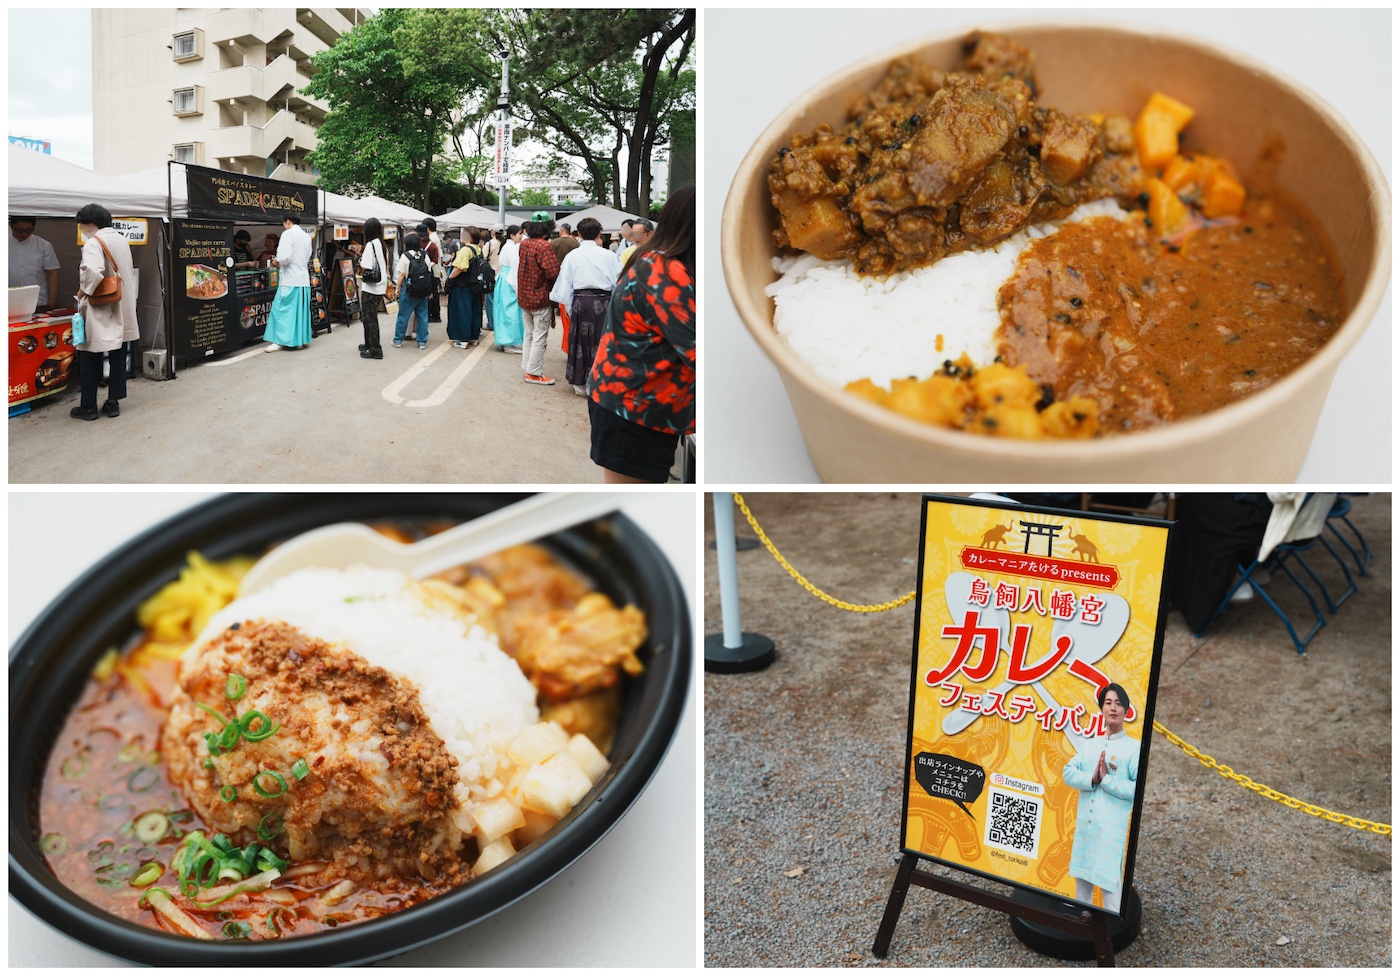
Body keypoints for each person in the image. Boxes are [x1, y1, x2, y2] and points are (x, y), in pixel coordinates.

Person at [587, 184, 695, 483]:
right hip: (635, 409)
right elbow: (699, 349)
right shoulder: (663, 269)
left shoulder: (655, 259)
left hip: (636, 404)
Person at [1061, 683, 1139, 914]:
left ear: (1126, 710)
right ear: (1102, 709)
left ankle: (1113, 928)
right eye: (1108, 703)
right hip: (1086, 827)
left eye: (1118, 704)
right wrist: (1092, 778)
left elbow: (1135, 789)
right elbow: (1068, 772)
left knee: (1109, 884)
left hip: (1110, 830)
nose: (1113, 708)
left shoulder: (1134, 748)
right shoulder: (1090, 745)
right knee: (1082, 883)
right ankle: (1079, 925)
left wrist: (1106, 781)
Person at [70, 204, 138, 420]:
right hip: (122, 302)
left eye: (82, 224)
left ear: (91, 223)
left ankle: (88, 407)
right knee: (119, 352)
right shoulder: (120, 239)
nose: (81, 228)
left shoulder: (93, 242)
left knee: (90, 353)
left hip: (101, 305)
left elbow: (93, 271)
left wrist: (82, 293)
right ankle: (113, 403)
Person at [550, 217, 620, 397]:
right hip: (604, 301)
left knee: (580, 342)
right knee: (601, 341)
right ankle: (601, 380)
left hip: (581, 301)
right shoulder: (610, 256)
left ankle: (580, 383)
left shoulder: (573, 256)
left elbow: (565, 284)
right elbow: (618, 283)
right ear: (599, 234)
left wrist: (567, 305)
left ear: (579, 234)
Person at [515, 220, 562, 385]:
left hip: (524, 296)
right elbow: (552, 272)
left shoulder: (524, 244)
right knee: (539, 336)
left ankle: (528, 367)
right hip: (540, 296)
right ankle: (533, 373)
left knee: (529, 334)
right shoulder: (544, 246)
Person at [263, 214, 312, 352]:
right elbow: (308, 256)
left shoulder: (288, 234)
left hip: (290, 279)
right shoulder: (306, 237)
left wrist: (276, 262)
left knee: (281, 310)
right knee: (299, 312)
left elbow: (284, 257)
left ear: (288, 221)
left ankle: (279, 341)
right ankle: (299, 340)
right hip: (302, 279)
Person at [9, 216, 61, 312]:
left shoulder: (43, 245)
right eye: (19, 230)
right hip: (9, 301)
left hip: (38, 302)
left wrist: (53, 299)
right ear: (11, 226)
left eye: (28, 230)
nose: (24, 233)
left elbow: (52, 272)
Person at [391, 231, 433, 350]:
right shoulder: (425, 255)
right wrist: (430, 290)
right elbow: (428, 272)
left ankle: (398, 340)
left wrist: (397, 288)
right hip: (423, 291)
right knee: (422, 317)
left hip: (409, 290)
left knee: (403, 316)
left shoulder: (406, 256)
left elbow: (401, 274)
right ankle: (422, 342)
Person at [446, 227, 484, 348]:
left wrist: (449, 279)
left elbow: (459, 268)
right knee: (474, 310)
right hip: (475, 285)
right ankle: (473, 337)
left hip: (462, 286)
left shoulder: (465, 250)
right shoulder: (478, 249)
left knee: (462, 311)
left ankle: (462, 339)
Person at [357, 217, 388, 359]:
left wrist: (360, 258)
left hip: (370, 287)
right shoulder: (381, 244)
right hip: (380, 286)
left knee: (369, 319)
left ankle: (375, 349)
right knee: (370, 317)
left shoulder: (370, 245)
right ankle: (368, 344)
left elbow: (365, 265)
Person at [492, 225, 524, 354]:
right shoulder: (511, 248)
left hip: (504, 279)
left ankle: (504, 340)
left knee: (503, 311)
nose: (521, 236)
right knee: (511, 312)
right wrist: (518, 289)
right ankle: (508, 342)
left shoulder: (508, 246)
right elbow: (515, 268)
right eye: (520, 233)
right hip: (509, 280)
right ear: (512, 235)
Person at [482, 224, 504, 332]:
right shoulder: (505, 244)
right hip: (503, 276)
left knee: (489, 301)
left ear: (493, 233)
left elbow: (483, 258)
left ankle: (491, 323)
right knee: (500, 302)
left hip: (491, 275)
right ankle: (500, 323)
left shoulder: (489, 244)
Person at [422, 218, 443, 324]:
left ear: (427, 228)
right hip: (436, 268)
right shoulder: (436, 237)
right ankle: (435, 314)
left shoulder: (431, 239)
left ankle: (434, 314)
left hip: (432, 269)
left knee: (432, 292)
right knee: (434, 292)